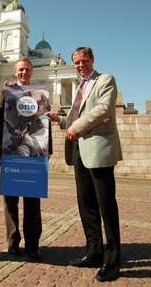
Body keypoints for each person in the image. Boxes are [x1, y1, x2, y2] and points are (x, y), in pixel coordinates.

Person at [45, 47, 122, 282]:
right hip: (79, 150)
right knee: (86, 204)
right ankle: (94, 251)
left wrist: (75, 127)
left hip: (98, 150)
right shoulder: (79, 86)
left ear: (92, 60)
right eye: (76, 62)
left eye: (84, 61)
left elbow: (103, 109)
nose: (80, 66)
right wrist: (60, 120)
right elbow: (76, 117)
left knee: (106, 205)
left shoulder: (105, 80)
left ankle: (113, 260)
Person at [0, 58, 51, 261]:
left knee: (32, 202)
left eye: (26, 69)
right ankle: (12, 243)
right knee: (10, 202)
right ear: (15, 71)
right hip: (10, 152)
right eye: (20, 69)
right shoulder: (7, 92)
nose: (23, 72)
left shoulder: (40, 95)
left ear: (31, 72)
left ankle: (32, 245)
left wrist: (47, 149)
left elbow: (44, 125)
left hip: (35, 152)